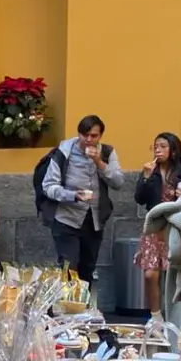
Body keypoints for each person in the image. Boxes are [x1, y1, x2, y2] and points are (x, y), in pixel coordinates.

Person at [40, 115, 125, 286]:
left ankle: (83, 310)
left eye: (94, 136)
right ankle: (68, 309)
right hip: (66, 218)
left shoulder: (107, 152)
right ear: (78, 134)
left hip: (94, 221)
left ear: (100, 136)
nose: (88, 139)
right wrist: (72, 195)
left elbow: (118, 182)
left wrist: (98, 162)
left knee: (87, 268)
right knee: (69, 268)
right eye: (84, 135)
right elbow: (48, 186)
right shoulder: (63, 153)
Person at [134, 132, 181, 323]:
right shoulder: (151, 171)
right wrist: (145, 178)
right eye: (155, 146)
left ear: (173, 150)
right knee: (150, 274)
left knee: (174, 274)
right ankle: (155, 316)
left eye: (163, 146)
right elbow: (140, 198)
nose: (158, 150)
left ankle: (176, 315)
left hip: (176, 228)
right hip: (154, 228)